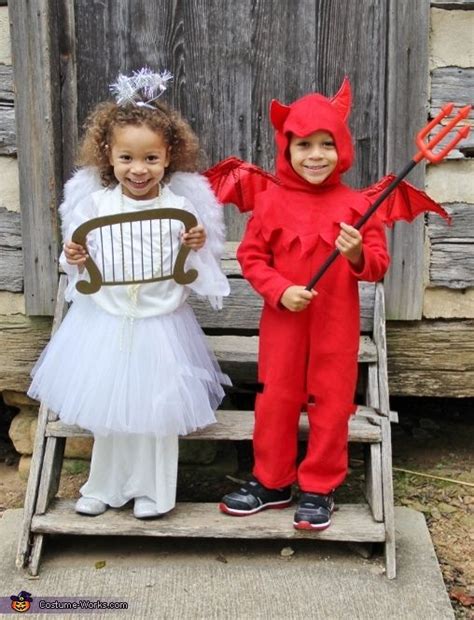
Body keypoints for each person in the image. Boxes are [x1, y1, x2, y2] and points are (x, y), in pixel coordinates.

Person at [28, 69, 230, 519]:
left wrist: (196, 247)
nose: (138, 169)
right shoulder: (97, 205)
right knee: (111, 414)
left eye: (151, 159)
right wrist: (73, 253)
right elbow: (78, 263)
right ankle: (105, 486)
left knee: (155, 413)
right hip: (109, 320)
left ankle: (153, 492)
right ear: (108, 155)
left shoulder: (179, 209)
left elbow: (195, 275)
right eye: (127, 158)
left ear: (169, 157)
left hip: (160, 323)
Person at [219, 78, 390, 530]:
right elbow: (251, 257)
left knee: (331, 402)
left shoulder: (358, 205)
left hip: (337, 325)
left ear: (343, 149)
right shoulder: (270, 201)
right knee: (275, 399)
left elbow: (378, 265)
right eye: (304, 145)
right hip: (284, 324)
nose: (315, 155)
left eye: (326, 145)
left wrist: (356, 254)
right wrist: (279, 289)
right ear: (287, 149)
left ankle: (319, 486)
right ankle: (272, 481)